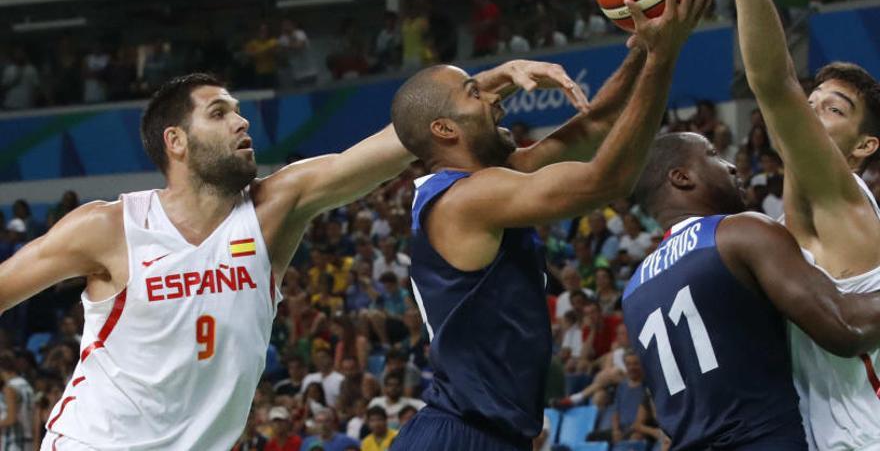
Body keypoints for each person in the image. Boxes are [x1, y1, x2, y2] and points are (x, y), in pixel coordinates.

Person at [0, 57, 580, 449]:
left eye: (238, 109)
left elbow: (412, 132)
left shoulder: (273, 211)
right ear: (174, 142)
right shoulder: (109, 228)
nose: (242, 120)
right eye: (219, 112)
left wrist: (489, 82)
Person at [390, 0, 710, 450]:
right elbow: (608, 179)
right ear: (444, 130)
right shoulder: (466, 199)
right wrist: (664, 59)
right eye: (475, 94)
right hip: (459, 436)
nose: (496, 100)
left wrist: (647, 43)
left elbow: (597, 124)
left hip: (483, 433)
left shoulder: (487, 184)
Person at [623, 132, 880, 449]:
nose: (730, 165)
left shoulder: (633, 289)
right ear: (681, 177)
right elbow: (846, 328)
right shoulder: (739, 232)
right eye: (713, 154)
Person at [728, 0, 880, 445]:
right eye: (811, 101)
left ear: (864, 147)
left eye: (833, 109)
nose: (811, 110)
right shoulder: (803, 211)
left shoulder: (843, 198)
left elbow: (774, 86)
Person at [0, 352, 34, 451]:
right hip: (27, 440)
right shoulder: (26, 385)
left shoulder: (9, 388)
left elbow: (11, 418)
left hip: (13, 442)